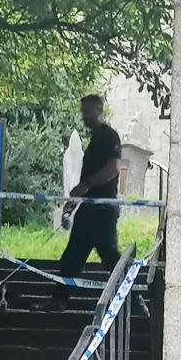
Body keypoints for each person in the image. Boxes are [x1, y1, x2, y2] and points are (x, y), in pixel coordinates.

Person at [41, 94, 122, 312]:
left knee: (111, 257)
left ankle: (135, 298)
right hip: (89, 208)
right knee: (73, 255)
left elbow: (112, 169)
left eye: (87, 111)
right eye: (82, 112)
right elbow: (88, 178)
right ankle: (59, 300)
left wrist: (86, 186)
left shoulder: (108, 136)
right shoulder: (95, 138)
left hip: (102, 209)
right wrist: (74, 201)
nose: (83, 116)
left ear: (98, 110)